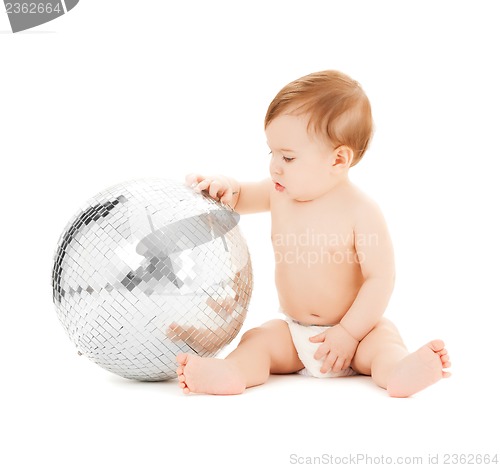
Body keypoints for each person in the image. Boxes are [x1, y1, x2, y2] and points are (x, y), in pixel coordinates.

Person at [173, 70, 451, 397]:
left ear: (338, 159)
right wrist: (224, 187)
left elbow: (381, 279)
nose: (275, 166)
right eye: (272, 153)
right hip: (295, 332)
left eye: (288, 157)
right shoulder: (280, 192)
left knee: (384, 344)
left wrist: (348, 332)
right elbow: (240, 198)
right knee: (258, 341)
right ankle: (233, 372)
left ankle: (398, 371)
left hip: (358, 334)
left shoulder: (361, 211)